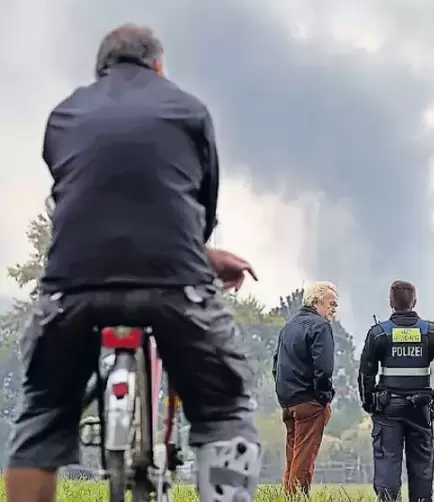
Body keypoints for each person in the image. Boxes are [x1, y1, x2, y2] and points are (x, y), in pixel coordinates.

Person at [3, 24, 262, 502]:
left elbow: (78, 194)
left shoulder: (65, 114)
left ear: (99, 70)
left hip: (73, 286)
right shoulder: (189, 109)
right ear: (158, 66)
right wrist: (201, 255)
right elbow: (200, 212)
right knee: (225, 408)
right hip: (173, 281)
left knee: (40, 414)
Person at [359, 280, 434, 502]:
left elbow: (366, 373)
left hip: (387, 409)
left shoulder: (378, 333)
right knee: (422, 465)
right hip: (420, 408)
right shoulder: (433, 332)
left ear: (390, 303)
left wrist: (369, 403)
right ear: (414, 301)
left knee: (387, 462)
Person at [273, 281, 338, 496]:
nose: (334, 309)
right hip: (309, 401)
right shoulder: (321, 327)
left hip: (288, 401)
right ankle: (298, 497)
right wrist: (324, 397)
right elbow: (324, 367)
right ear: (317, 301)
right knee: (305, 457)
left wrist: (283, 395)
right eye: (331, 303)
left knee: (293, 453)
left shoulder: (288, 326)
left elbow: (276, 364)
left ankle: (289, 495)